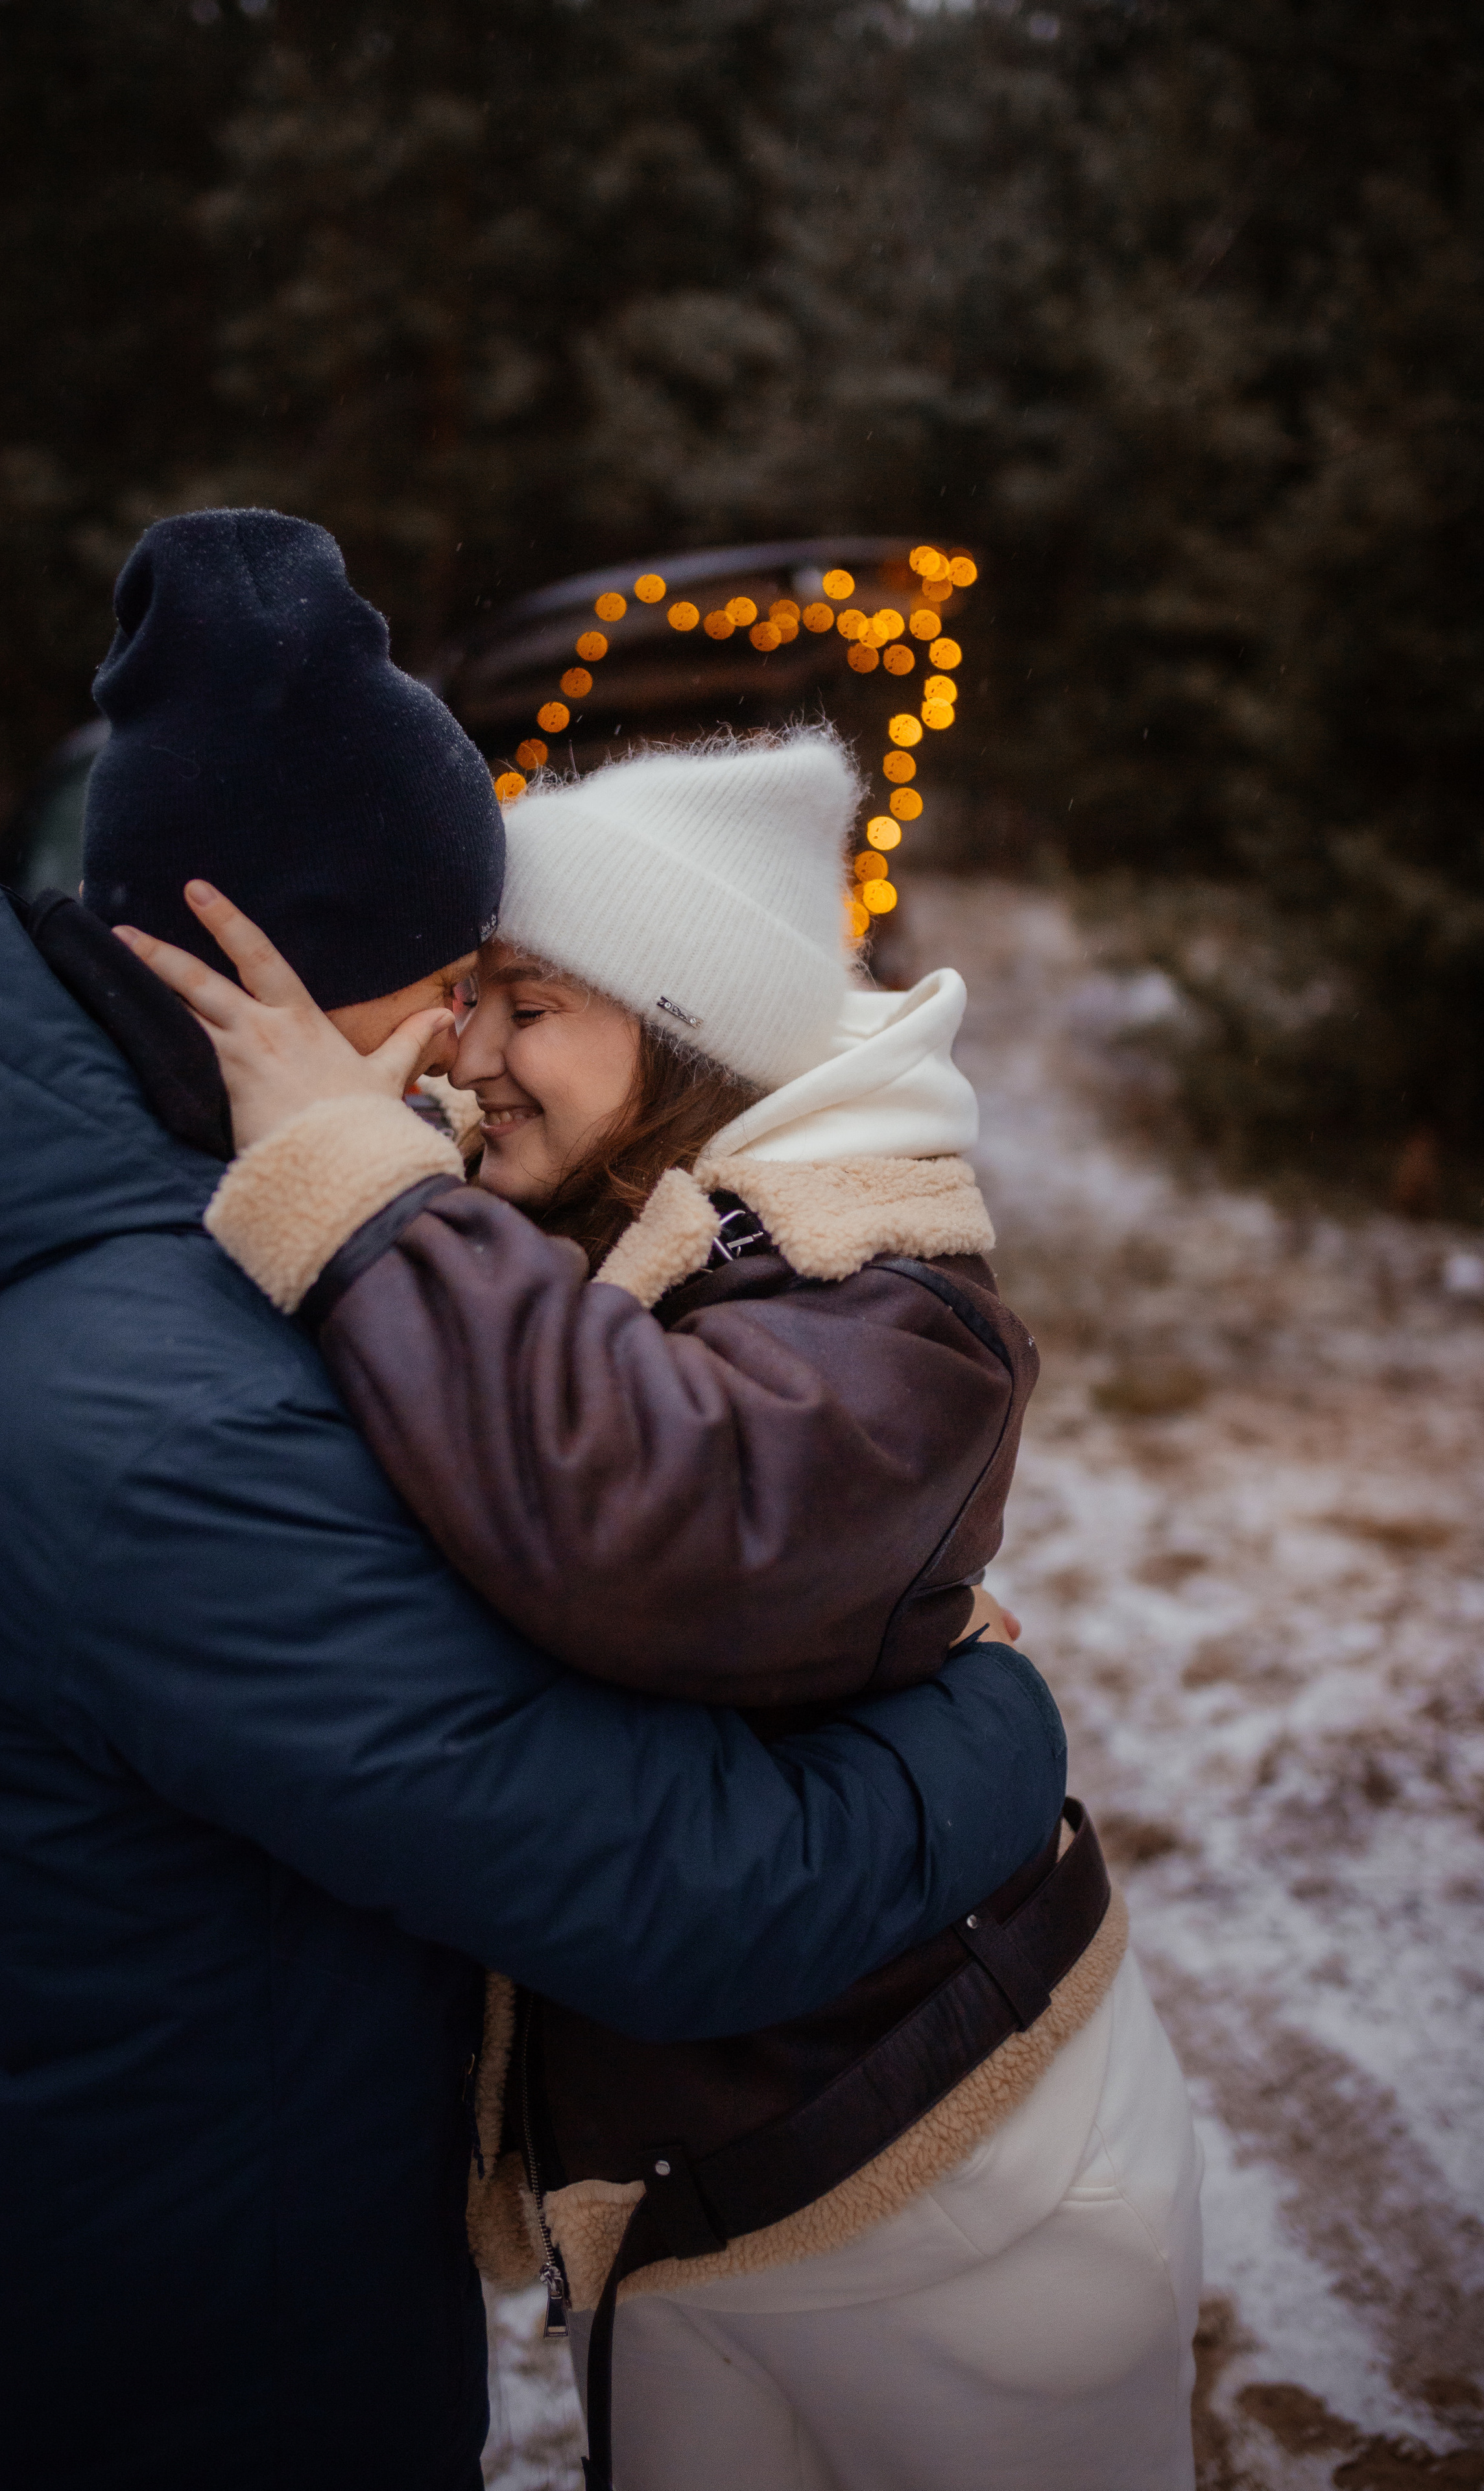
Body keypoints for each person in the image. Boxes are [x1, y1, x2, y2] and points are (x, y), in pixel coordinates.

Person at [0, 511, 1066, 2491]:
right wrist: (996, 1730)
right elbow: (675, 1893)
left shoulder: (28, 1210)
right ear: (299, 970)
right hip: (208, 2355)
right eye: (447, 987)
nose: (461, 1062)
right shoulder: (158, 1402)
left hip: (96, 2235)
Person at [124, 727, 1204, 2491]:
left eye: (525, 1004)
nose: (471, 1055)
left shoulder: (898, 1313)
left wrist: (354, 1182)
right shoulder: (582, 1238)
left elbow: (645, 1523)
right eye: (469, 1001)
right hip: (685, 2216)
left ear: (685, 1030)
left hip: (963, 2191)